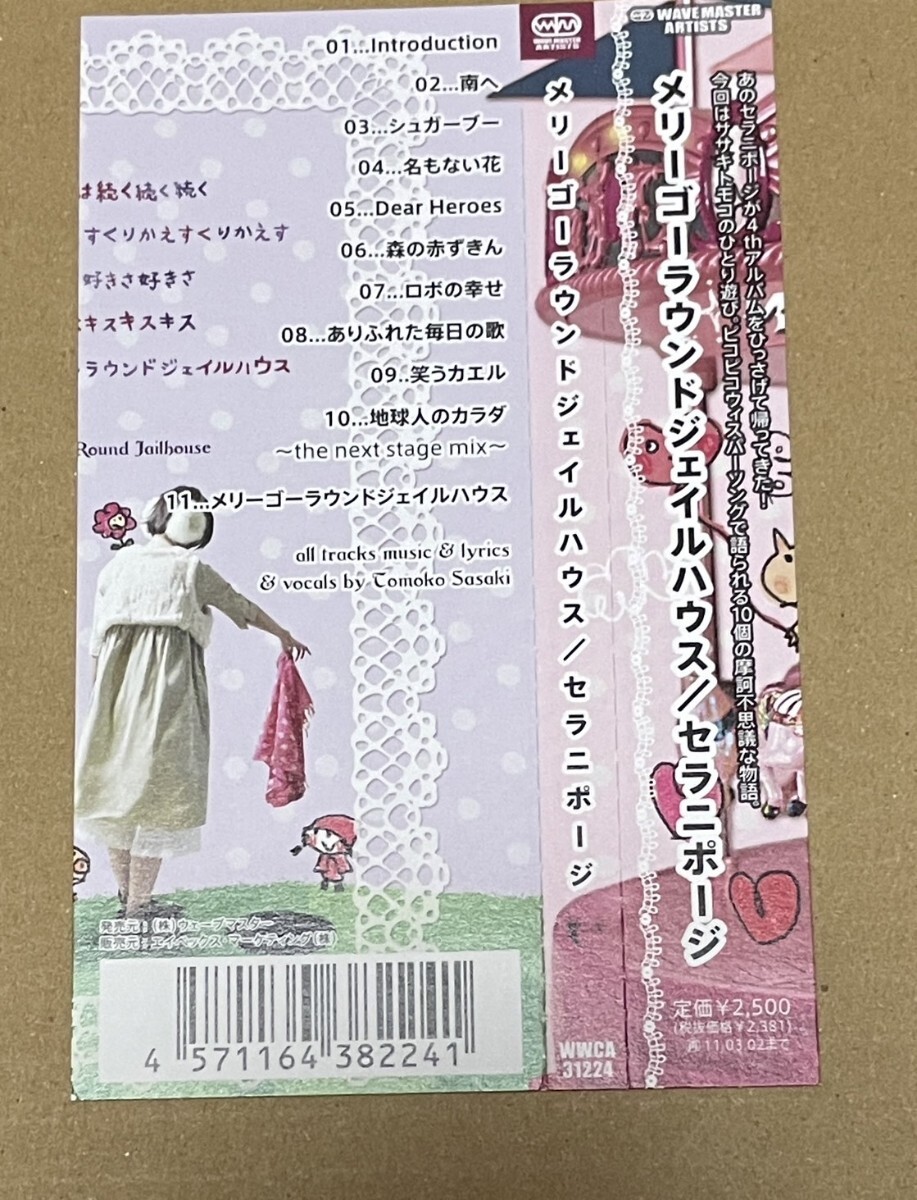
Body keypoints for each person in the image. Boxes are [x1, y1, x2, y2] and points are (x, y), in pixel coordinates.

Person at [75, 485, 308, 917]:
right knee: (161, 794)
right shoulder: (191, 570)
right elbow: (241, 605)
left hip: (115, 695)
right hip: (170, 694)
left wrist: (97, 702)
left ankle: (128, 897)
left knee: (117, 791)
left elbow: (97, 642)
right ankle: (139, 904)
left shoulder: (117, 566)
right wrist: (282, 633)